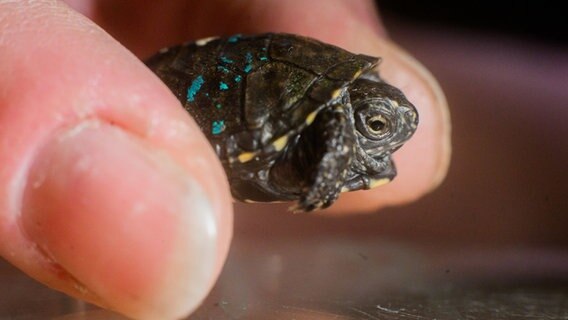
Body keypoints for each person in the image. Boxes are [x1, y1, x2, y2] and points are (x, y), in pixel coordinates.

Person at [0, 1, 450, 319]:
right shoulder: (331, 124)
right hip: (186, 101)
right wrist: (327, 173)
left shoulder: (346, 117)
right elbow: (331, 123)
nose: (391, 136)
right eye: (375, 125)